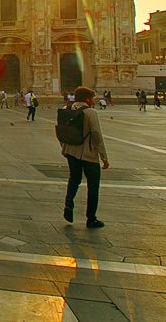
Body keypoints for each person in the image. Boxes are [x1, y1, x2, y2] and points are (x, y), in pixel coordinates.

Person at [59, 86, 109, 229]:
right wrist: (104, 157)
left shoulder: (67, 109)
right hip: (88, 154)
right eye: (92, 98)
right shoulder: (91, 112)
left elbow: (61, 131)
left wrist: (64, 148)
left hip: (71, 152)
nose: (93, 101)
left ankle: (69, 203)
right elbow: (97, 136)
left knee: (74, 179)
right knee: (93, 186)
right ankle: (91, 218)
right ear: (87, 99)